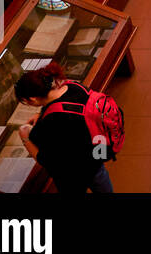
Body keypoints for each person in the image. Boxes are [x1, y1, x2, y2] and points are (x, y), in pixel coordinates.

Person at [13, 63, 113, 193]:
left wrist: (25, 138)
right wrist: (41, 113)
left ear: (32, 99)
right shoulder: (74, 86)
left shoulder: (48, 124)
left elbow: (47, 160)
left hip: (72, 175)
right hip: (96, 158)